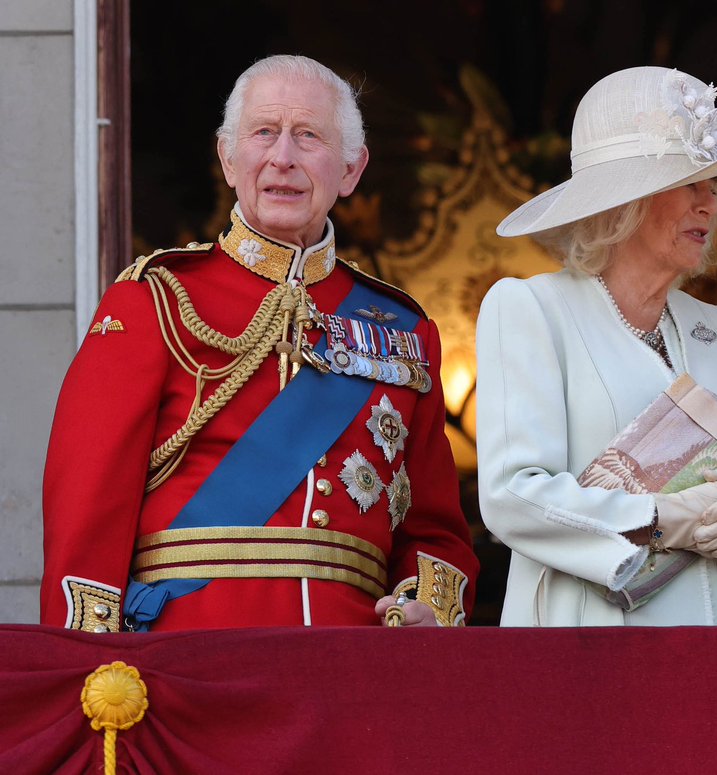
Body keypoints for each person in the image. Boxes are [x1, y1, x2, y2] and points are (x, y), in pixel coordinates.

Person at [41, 55, 478, 632]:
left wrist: (428, 609)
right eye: (264, 132)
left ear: (351, 170)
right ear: (228, 158)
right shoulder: (156, 301)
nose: (283, 158)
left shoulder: (402, 329)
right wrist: (94, 671)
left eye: (309, 136)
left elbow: (435, 530)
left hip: (352, 667)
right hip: (188, 663)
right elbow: (86, 506)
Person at [475, 66, 717, 626]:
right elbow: (512, 496)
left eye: (715, 185)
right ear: (625, 201)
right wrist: (661, 516)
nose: (710, 205)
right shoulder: (532, 309)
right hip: (600, 653)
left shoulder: (716, 326)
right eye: (690, 184)